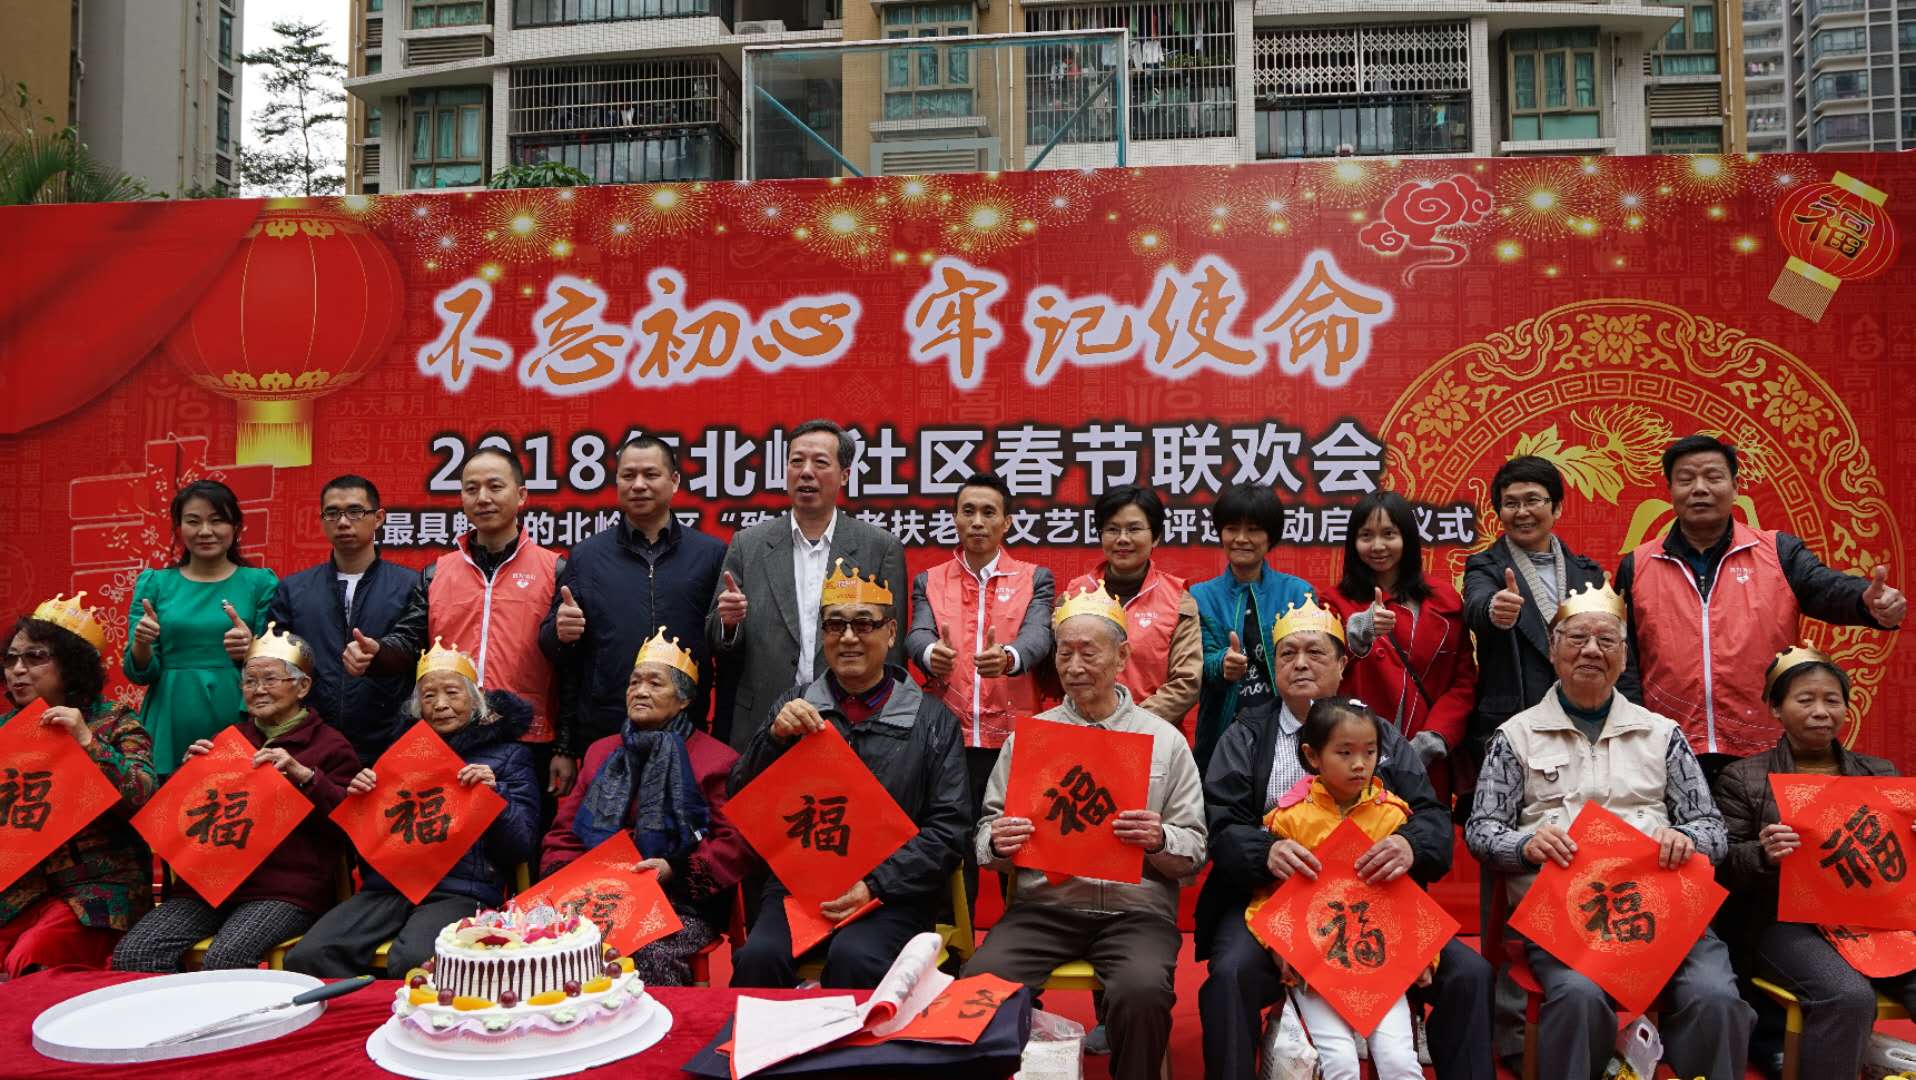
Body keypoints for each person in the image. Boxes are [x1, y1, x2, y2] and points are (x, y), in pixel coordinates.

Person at [1465, 580, 1752, 1080]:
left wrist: (1687, 838)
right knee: (1578, 995)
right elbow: (1482, 831)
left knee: (1716, 996)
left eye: (1606, 640)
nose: (1592, 651)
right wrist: (1526, 844)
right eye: (1577, 639)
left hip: (1663, 907)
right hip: (1568, 914)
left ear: (1624, 656)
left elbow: (1712, 829)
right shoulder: (1516, 736)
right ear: (1553, 650)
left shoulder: (1661, 733)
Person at [1197, 597, 1491, 1080]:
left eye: (1315, 652)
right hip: (1273, 900)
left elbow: (1433, 816)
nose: (1300, 664)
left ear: (1341, 665)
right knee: (1230, 974)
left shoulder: (1378, 736)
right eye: (1288, 653)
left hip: (1377, 903)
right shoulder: (1245, 735)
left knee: (1469, 975)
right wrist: (1267, 850)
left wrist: (1410, 844)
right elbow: (1222, 825)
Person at [965, 583, 1206, 1080]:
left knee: (1142, 992)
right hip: (1045, 908)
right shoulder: (1031, 739)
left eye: (1088, 652)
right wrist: (998, 843)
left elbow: (1194, 849)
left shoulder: (1163, 741)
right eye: (1064, 653)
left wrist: (1160, 839)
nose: (1074, 666)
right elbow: (986, 834)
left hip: (1135, 912)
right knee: (982, 983)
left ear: (1122, 657)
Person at [728, 560, 970, 989]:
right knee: (758, 958)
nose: (849, 637)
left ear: (891, 633)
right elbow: (742, 798)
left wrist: (876, 884)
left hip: (892, 893)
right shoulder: (796, 706)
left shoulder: (931, 720)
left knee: (855, 959)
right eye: (835, 625)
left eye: (864, 624)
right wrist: (774, 739)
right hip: (800, 886)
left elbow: (949, 829)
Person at [1616, 434, 1905, 765]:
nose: (1699, 488)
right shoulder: (1638, 565)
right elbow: (1624, 659)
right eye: (1686, 479)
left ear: (1735, 487)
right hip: (1669, 744)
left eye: (1713, 477)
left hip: (1763, 746)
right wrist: (1637, 732)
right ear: (1670, 490)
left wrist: (1866, 602)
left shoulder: (1778, 552)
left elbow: (1826, 587)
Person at [1712, 646, 1912, 1079]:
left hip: (1874, 920)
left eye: (1832, 700)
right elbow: (1722, 865)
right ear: (1776, 709)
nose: (1821, 711)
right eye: (1805, 700)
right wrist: (1763, 853)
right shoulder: (1744, 778)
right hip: (1786, 925)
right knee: (1847, 996)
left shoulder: (1880, 774)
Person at [286, 640, 540, 977]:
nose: (441, 704)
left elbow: (520, 845)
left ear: (476, 698)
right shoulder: (400, 757)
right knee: (308, 956)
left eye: (452, 693)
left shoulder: (508, 756)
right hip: (391, 885)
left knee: (415, 960)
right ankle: (357, 1010)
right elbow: (368, 847)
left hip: (461, 888)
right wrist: (361, 800)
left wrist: (494, 796)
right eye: (429, 696)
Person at [113, 626, 359, 972]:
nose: (258, 690)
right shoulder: (228, 740)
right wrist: (189, 775)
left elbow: (352, 824)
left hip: (282, 889)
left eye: (270, 679)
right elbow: (185, 823)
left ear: (303, 686)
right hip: (207, 886)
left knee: (225, 959)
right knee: (135, 953)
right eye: (249, 682)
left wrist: (306, 777)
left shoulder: (330, 746)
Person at [344, 448, 573, 801]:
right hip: (448, 733)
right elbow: (409, 640)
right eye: (471, 489)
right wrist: (378, 654)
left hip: (528, 736)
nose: (483, 498)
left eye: (495, 486)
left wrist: (566, 746)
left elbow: (573, 669)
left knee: (520, 831)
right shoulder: (437, 573)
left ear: (521, 495)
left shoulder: (554, 569)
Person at [541, 630, 754, 986]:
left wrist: (674, 870)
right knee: (549, 943)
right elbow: (564, 834)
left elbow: (734, 845)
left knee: (646, 952)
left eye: (655, 684)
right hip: (598, 896)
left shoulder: (717, 760)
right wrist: (566, 883)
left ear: (684, 699)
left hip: (678, 902)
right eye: (634, 682)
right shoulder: (601, 752)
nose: (639, 691)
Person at [1246, 697, 1430, 1080]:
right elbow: (1268, 899)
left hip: (1380, 963)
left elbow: (1410, 897)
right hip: (1316, 969)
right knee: (1340, 1063)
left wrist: (1425, 956)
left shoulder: (1393, 816)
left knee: (1399, 1061)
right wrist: (1281, 947)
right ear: (1312, 756)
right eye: (1344, 753)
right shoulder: (1289, 820)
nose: (1359, 764)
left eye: (1370, 752)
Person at [707, 419, 909, 751]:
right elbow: (717, 640)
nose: (805, 472)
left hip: (852, 721)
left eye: (820, 462)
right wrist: (728, 623)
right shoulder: (748, 544)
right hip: (764, 719)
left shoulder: (879, 547)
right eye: (796, 461)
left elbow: (893, 648)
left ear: (844, 475)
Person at [906, 471, 1055, 897]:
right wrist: (930, 653)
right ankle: (953, 933)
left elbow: (1039, 635)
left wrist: (1009, 657)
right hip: (946, 735)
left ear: (1006, 522)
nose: (977, 521)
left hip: (1013, 737)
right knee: (951, 846)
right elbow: (917, 633)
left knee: (1017, 844)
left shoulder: (1034, 578)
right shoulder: (930, 580)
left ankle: (1021, 929)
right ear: (954, 518)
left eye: (988, 512)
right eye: (967, 511)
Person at [0, 594, 158, 975]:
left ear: (71, 663)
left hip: (97, 893)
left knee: (31, 958)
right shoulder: (6, 731)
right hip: (21, 891)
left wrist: (87, 741)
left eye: (35, 657)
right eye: (11, 659)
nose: (18, 670)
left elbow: (144, 798)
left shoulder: (114, 720)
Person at [539, 435, 725, 755]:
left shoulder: (710, 554)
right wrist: (560, 634)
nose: (638, 485)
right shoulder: (587, 556)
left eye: (650, 475)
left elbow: (727, 651)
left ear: (674, 481)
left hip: (686, 729)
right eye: (628, 475)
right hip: (605, 732)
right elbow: (559, 656)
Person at [1324, 490, 1477, 804]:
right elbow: (1325, 674)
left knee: (1424, 830)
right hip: (1358, 758)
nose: (1378, 546)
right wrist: (1360, 632)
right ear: (1352, 543)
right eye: (1366, 536)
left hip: (1427, 760)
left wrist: (1434, 737)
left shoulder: (1445, 600)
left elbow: (1463, 681)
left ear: (1407, 538)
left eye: (1389, 534)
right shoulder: (1334, 602)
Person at [1461, 456, 1616, 765]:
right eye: (1511, 503)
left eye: (1532, 500)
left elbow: (1616, 649)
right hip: (1516, 723)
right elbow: (1477, 605)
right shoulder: (1485, 566)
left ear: (1556, 508)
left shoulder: (1588, 573)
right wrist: (1495, 610)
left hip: (1585, 722)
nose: (1522, 512)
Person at [123, 479, 277, 776]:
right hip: (170, 713)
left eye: (217, 521)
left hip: (237, 708)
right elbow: (139, 672)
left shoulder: (260, 582)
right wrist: (141, 643)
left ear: (236, 527)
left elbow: (276, 665)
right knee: (167, 798)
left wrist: (251, 648)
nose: (205, 531)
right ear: (179, 528)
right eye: (193, 521)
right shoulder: (155, 583)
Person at [268, 474, 419, 765]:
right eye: (332, 513)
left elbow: (417, 652)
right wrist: (246, 650)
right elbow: (277, 663)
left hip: (389, 740)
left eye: (355, 511)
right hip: (312, 741)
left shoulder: (411, 585)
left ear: (378, 518)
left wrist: (380, 655)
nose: (343, 522)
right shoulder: (294, 589)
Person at [1191, 482, 1315, 773]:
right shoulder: (1199, 596)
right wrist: (1221, 664)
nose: (1241, 539)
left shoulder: (1298, 593)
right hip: (1222, 735)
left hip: (1290, 733)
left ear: (1270, 536)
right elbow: (1194, 661)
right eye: (1232, 528)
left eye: (1254, 530)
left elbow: (1313, 657)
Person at [1064, 484, 1200, 732]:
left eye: (1134, 529)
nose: (1122, 539)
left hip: (1151, 734)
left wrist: (1128, 724)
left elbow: (1186, 681)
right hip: (1082, 731)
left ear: (1156, 536)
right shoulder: (1075, 594)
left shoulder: (1177, 599)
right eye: (1112, 529)